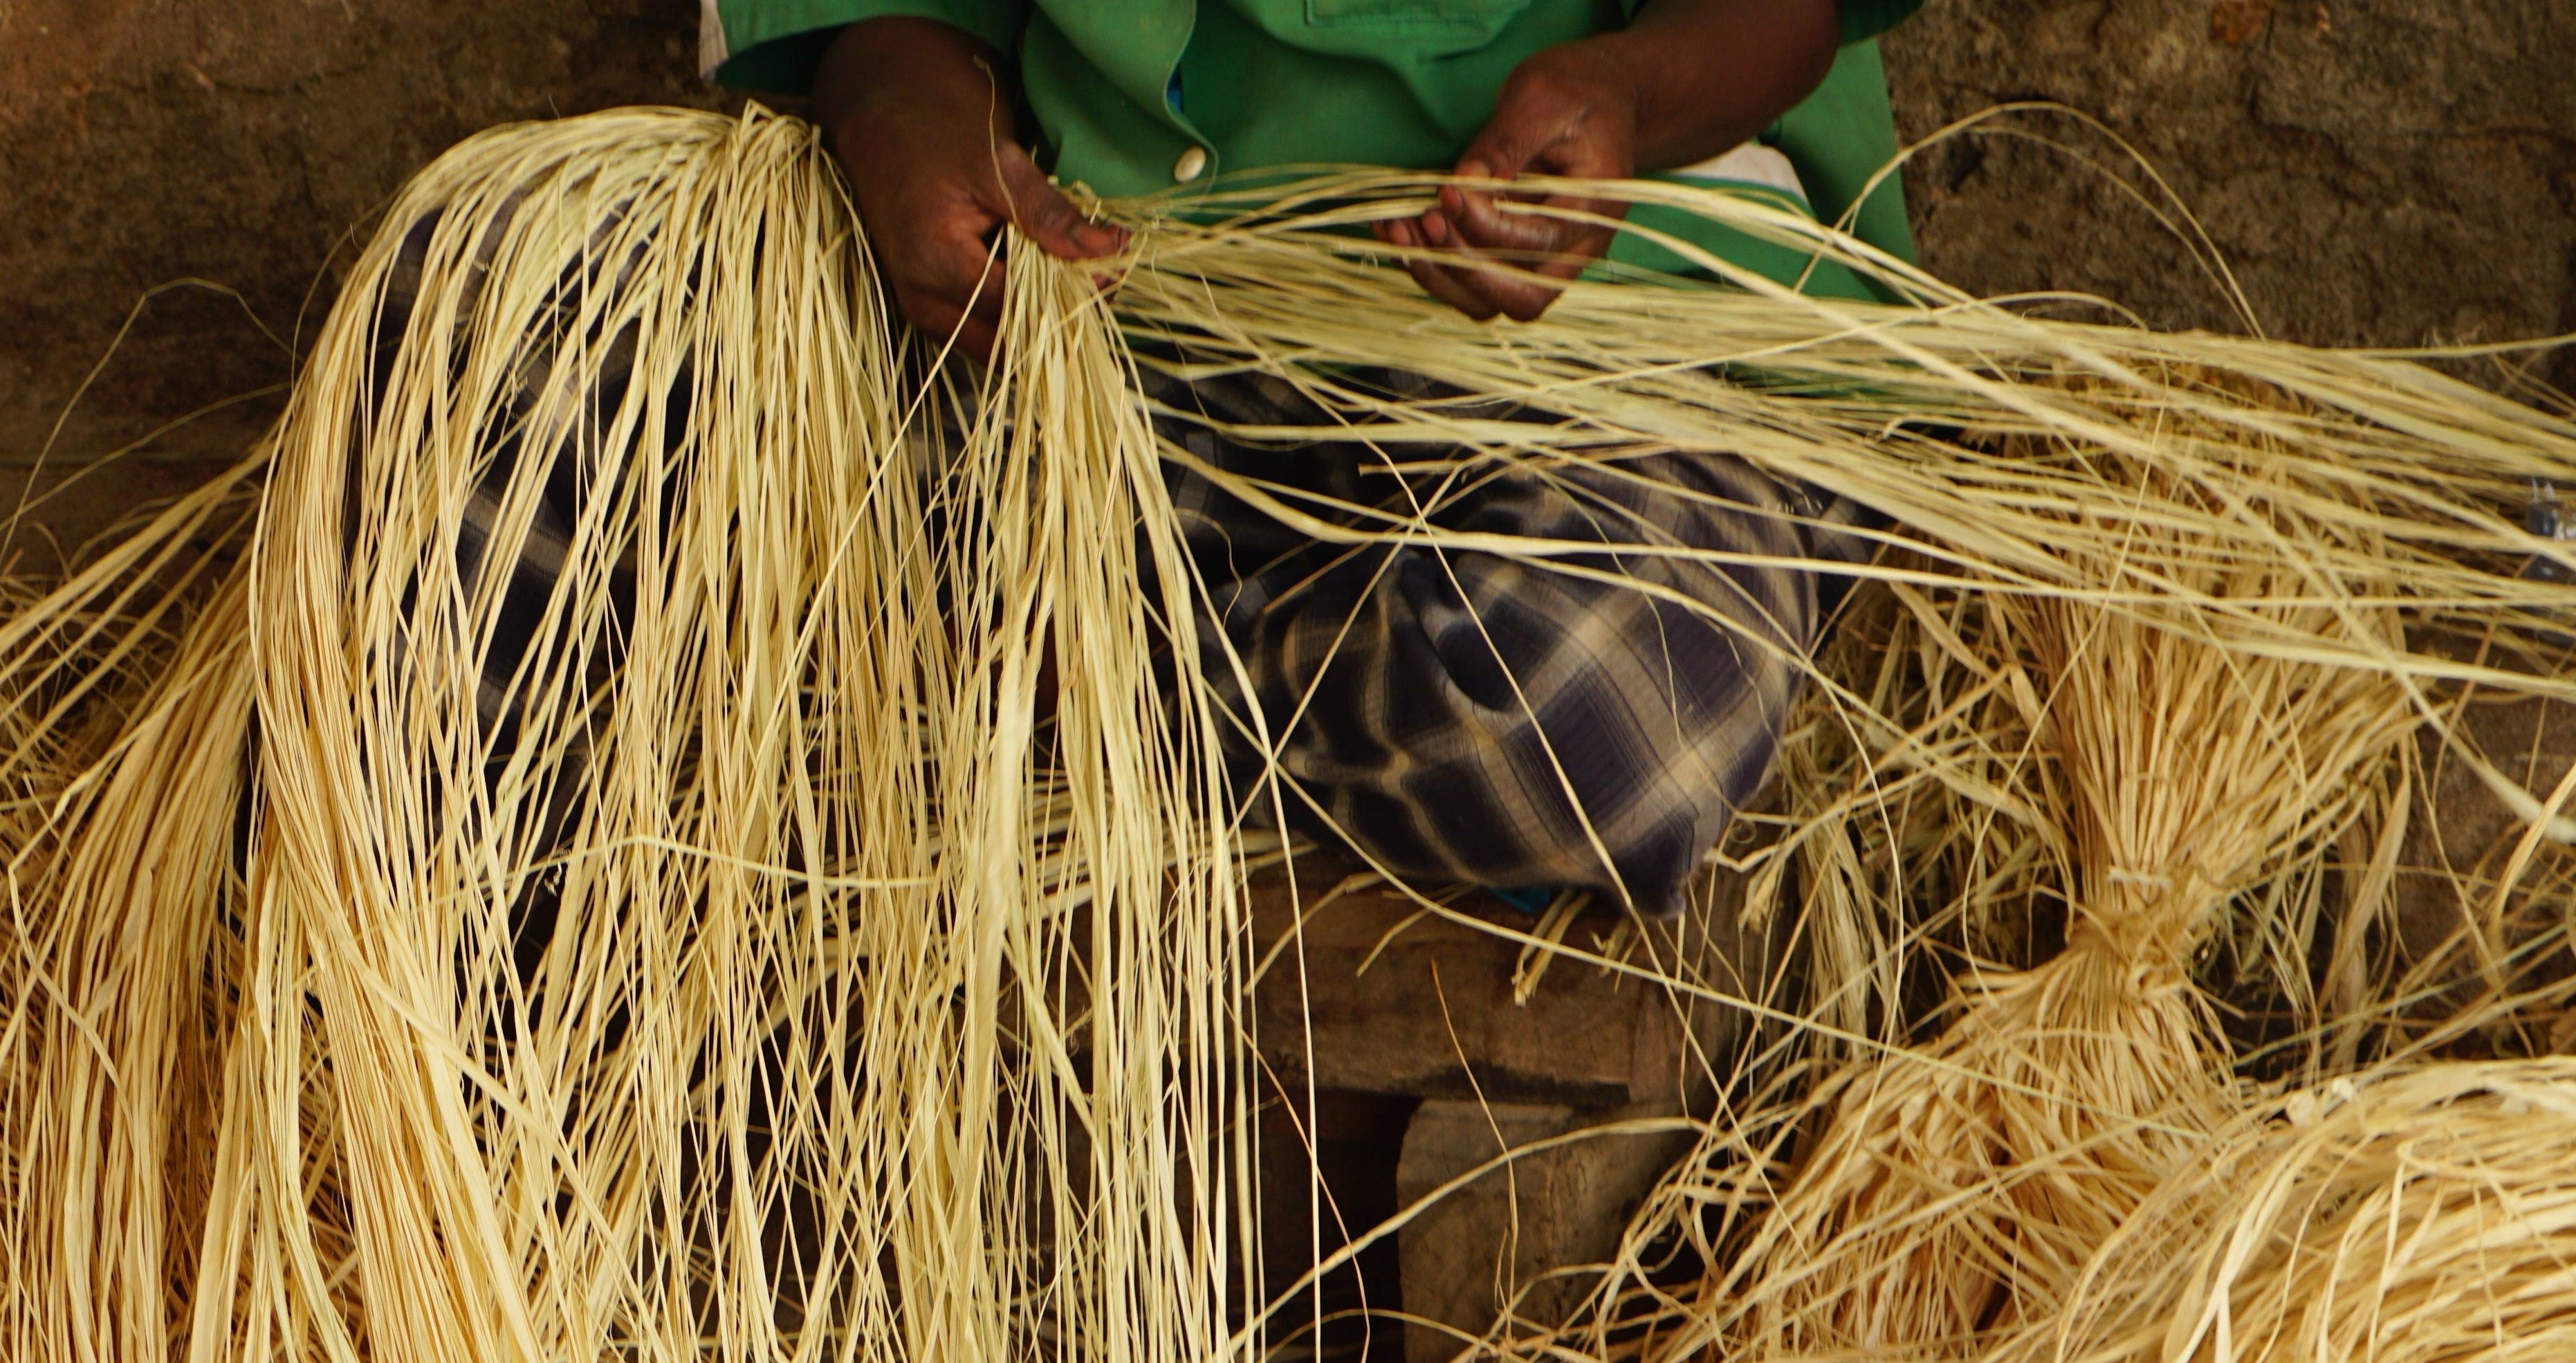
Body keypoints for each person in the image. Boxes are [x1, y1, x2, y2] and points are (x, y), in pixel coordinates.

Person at [581, 0, 1922, 914]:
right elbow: (889, 21)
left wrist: (1627, 91)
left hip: (1597, 357)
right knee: (544, 426)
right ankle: (1088, 682)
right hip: (1101, 324)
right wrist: (900, 103)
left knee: (1591, 714)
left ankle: (1011, 697)